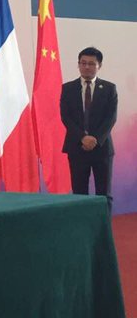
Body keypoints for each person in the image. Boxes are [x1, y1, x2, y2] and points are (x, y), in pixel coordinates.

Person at [60, 46, 117, 205]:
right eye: (83, 63)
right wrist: (83, 138)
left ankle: (103, 222)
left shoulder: (109, 88)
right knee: (79, 193)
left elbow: (111, 118)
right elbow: (66, 117)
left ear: (99, 65)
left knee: (104, 194)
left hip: (102, 148)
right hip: (77, 147)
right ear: (78, 64)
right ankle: (81, 221)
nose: (86, 67)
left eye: (91, 63)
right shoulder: (68, 88)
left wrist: (95, 139)